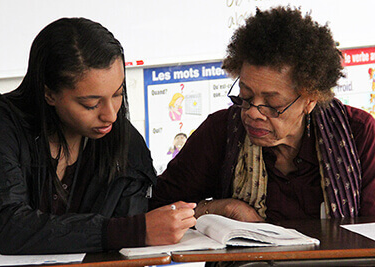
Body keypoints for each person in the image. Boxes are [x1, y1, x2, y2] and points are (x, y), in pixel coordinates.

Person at [0, 17, 196, 255]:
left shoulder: (124, 141)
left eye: (117, 94)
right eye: (91, 104)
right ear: (49, 93)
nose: (110, 115)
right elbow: (10, 228)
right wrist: (129, 231)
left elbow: (134, 233)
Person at [150, 6, 375, 223]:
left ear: (310, 99)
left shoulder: (357, 133)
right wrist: (220, 209)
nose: (252, 113)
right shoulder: (221, 132)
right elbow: (158, 210)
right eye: (246, 97)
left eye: (272, 103)